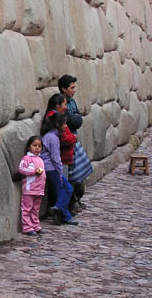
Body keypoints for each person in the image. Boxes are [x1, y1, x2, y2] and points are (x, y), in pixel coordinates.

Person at [40, 112, 78, 226]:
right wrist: (60, 172)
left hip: (51, 167)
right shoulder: (52, 138)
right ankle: (60, 210)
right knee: (65, 189)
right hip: (51, 168)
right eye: (64, 123)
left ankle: (63, 214)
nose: (66, 126)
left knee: (64, 190)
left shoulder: (51, 135)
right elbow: (55, 157)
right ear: (58, 124)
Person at [58, 74, 86, 212]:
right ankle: (70, 203)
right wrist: (75, 119)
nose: (74, 90)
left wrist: (76, 119)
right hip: (68, 141)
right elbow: (71, 121)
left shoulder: (72, 103)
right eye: (72, 88)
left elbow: (78, 119)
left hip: (74, 138)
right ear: (64, 89)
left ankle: (77, 198)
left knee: (80, 170)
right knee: (71, 173)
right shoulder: (61, 103)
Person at [18, 136, 46, 236]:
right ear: (29, 147)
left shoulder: (40, 159)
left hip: (39, 190)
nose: (37, 148)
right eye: (34, 145)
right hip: (29, 189)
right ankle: (27, 227)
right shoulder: (27, 158)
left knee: (36, 209)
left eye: (39, 146)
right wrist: (34, 172)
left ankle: (36, 225)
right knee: (27, 208)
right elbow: (21, 169)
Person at [44, 94, 76, 181]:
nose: (66, 107)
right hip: (62, 158)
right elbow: (64, 138)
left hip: (62, 158)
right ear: (58, 105)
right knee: (62, 183)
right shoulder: (55, 118)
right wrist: (73, 138)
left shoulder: (56, 115)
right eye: (64, 104)